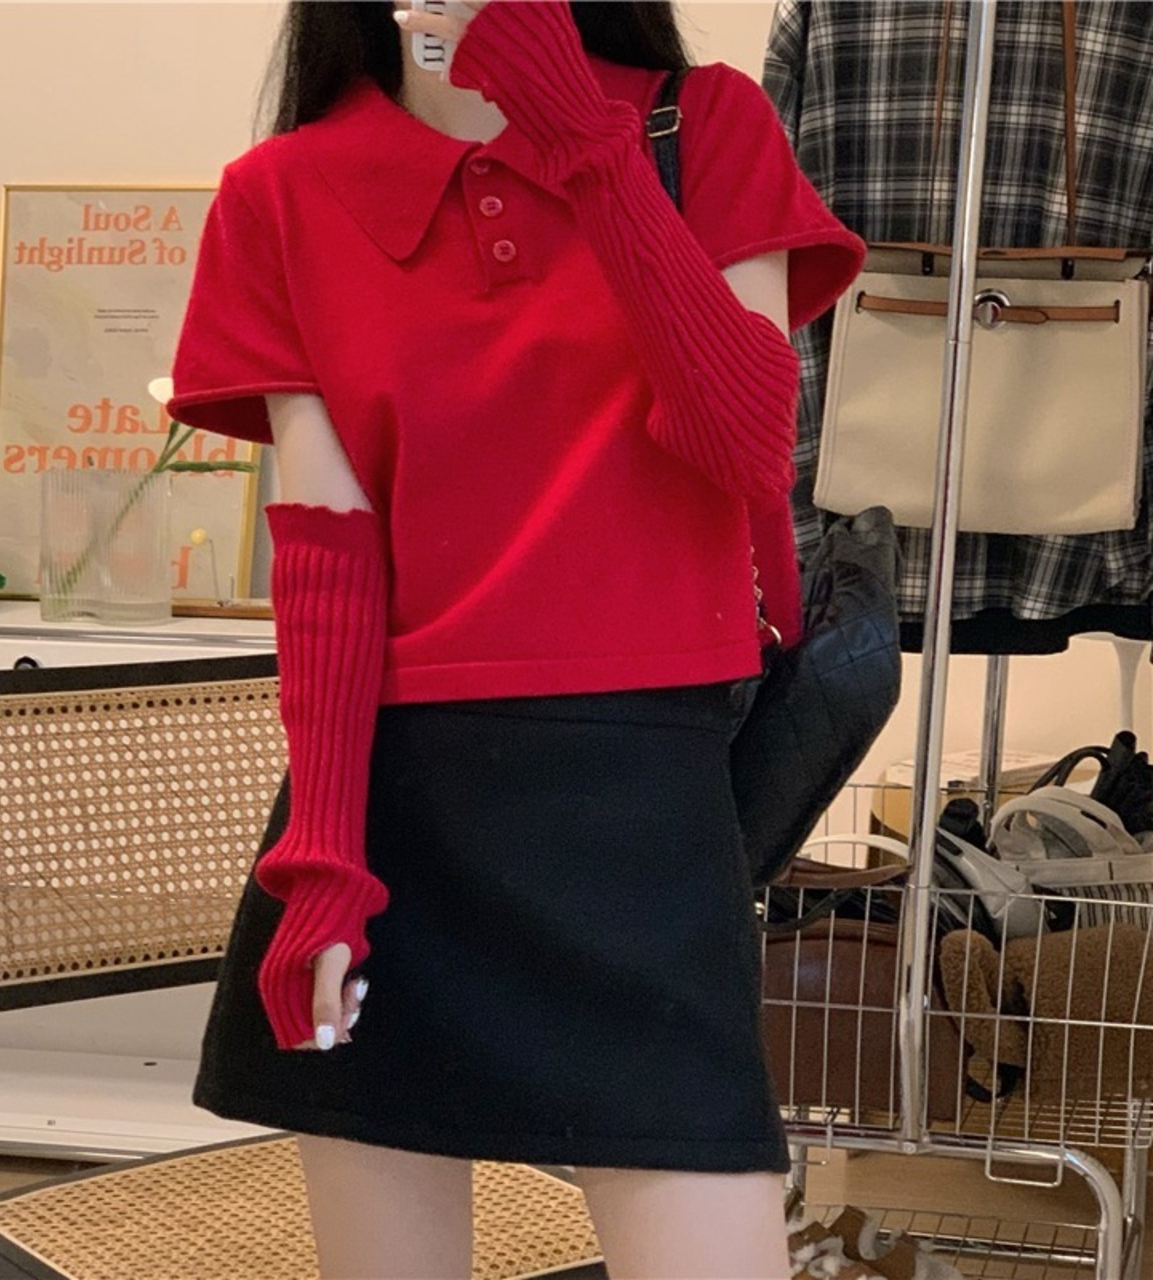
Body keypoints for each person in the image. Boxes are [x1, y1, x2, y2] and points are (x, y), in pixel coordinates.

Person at [168, 2, 865, 1276]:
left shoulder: (698, 124)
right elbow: (326, 558)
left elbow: (740, 440)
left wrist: (578, 136)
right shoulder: (284, 190)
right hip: (398, 813)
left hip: (640, 804)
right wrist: (320, 859)